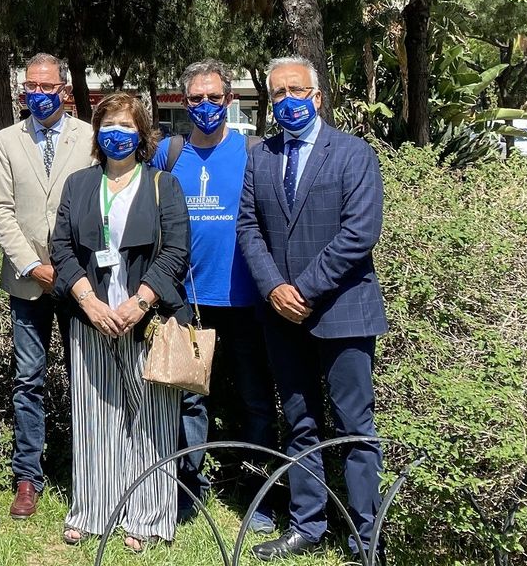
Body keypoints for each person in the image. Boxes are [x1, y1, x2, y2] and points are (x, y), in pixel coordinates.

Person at [238, 57, 388, 562]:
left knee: (354, 427)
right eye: (277, 94)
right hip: (281, 314)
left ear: (317, 97)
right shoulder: (260, 156)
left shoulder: (352, 154)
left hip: (343, 311)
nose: (286, 101)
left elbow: (359, 234)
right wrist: (276, 289)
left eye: (295, 91)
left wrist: (302, 289)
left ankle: (366, 536)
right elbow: (247, 228)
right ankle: (308, 524)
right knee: (300, 422)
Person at [52, 92, 189, 550]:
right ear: (97, 133)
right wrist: (88, 301)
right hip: (91, 318)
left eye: (127, 127)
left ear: (143, 134)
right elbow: (62, 250)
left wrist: (141, 302)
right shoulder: (79, 185)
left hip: (146, 321)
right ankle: (93, 510)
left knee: (151, 417)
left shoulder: (161, 185)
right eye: (108, 125)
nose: (117, 135)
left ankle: (148, 517)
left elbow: (175, 251)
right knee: (96, 417)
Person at [152, 60, 279, 531]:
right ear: (184, 104)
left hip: (245, 301)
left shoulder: (253, 151)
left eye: (214, 97)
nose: (205, 106)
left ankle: (259, 496)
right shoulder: (169, 152)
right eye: (195, 99)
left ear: (230, 100)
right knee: (189, 402)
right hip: (188, 301)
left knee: (255, 400)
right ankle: (188, 491)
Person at [0, 52, 94, 519]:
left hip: (81, 283)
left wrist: (70, 270)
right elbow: (0, 210)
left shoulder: (90, 137)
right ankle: (27, 477)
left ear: (64, 90)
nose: (40, 94)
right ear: (22, 89)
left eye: (49, 87)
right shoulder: (7, 140)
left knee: (85, 378)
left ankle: (89, 470)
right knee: (28, 380)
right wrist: (32, 265)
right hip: (27, 282)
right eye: (32, 86)